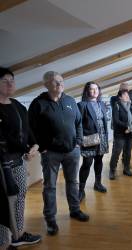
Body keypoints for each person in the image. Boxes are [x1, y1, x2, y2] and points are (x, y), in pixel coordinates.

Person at [28, 71, 89, 236]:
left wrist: (78, 142)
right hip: (51, 153)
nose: (59, 83)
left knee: (73, 182)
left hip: (72, 151)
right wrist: (41, 147)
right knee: (50, 187)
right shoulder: (38, 103)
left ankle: (75, 210)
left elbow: (78, 123)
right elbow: (31, 129)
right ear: (46, 85)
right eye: (54, 81)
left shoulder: (70, 101)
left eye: (61, 81)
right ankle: (50, 219)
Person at [0, 67, 41, 248]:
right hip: (3, 165)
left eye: (12, 80)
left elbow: (27, 131)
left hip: (19, 161)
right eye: (4, 81)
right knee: (8, 201)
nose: (10, 84)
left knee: (19, 198)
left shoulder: (17, 105)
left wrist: (34, 146)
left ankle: (16, 235)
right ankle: (10, 237)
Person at [77, 82, 109, 202]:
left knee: (99, 161)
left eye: (96, 89)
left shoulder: (101, 104)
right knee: (87, 163)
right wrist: (80, 140)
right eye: (92, 89)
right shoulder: (82, 105)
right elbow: (78, 124)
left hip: (102, 138)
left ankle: (98, 183)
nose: (95, 91)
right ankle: (81, 190)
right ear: (87, 91)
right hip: (89, 138)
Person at [109, 89, 132, 180]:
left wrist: (131, 128)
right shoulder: (117, 105)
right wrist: (126, 126)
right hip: (120, 133)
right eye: (125, 95)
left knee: (128, 152)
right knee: (116, 152)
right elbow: (116, 120)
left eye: (127, 95)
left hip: (130, 133)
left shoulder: (131, 105)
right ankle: (112, 170)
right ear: (120, 97)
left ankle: (126, 169)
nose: (127, 96)